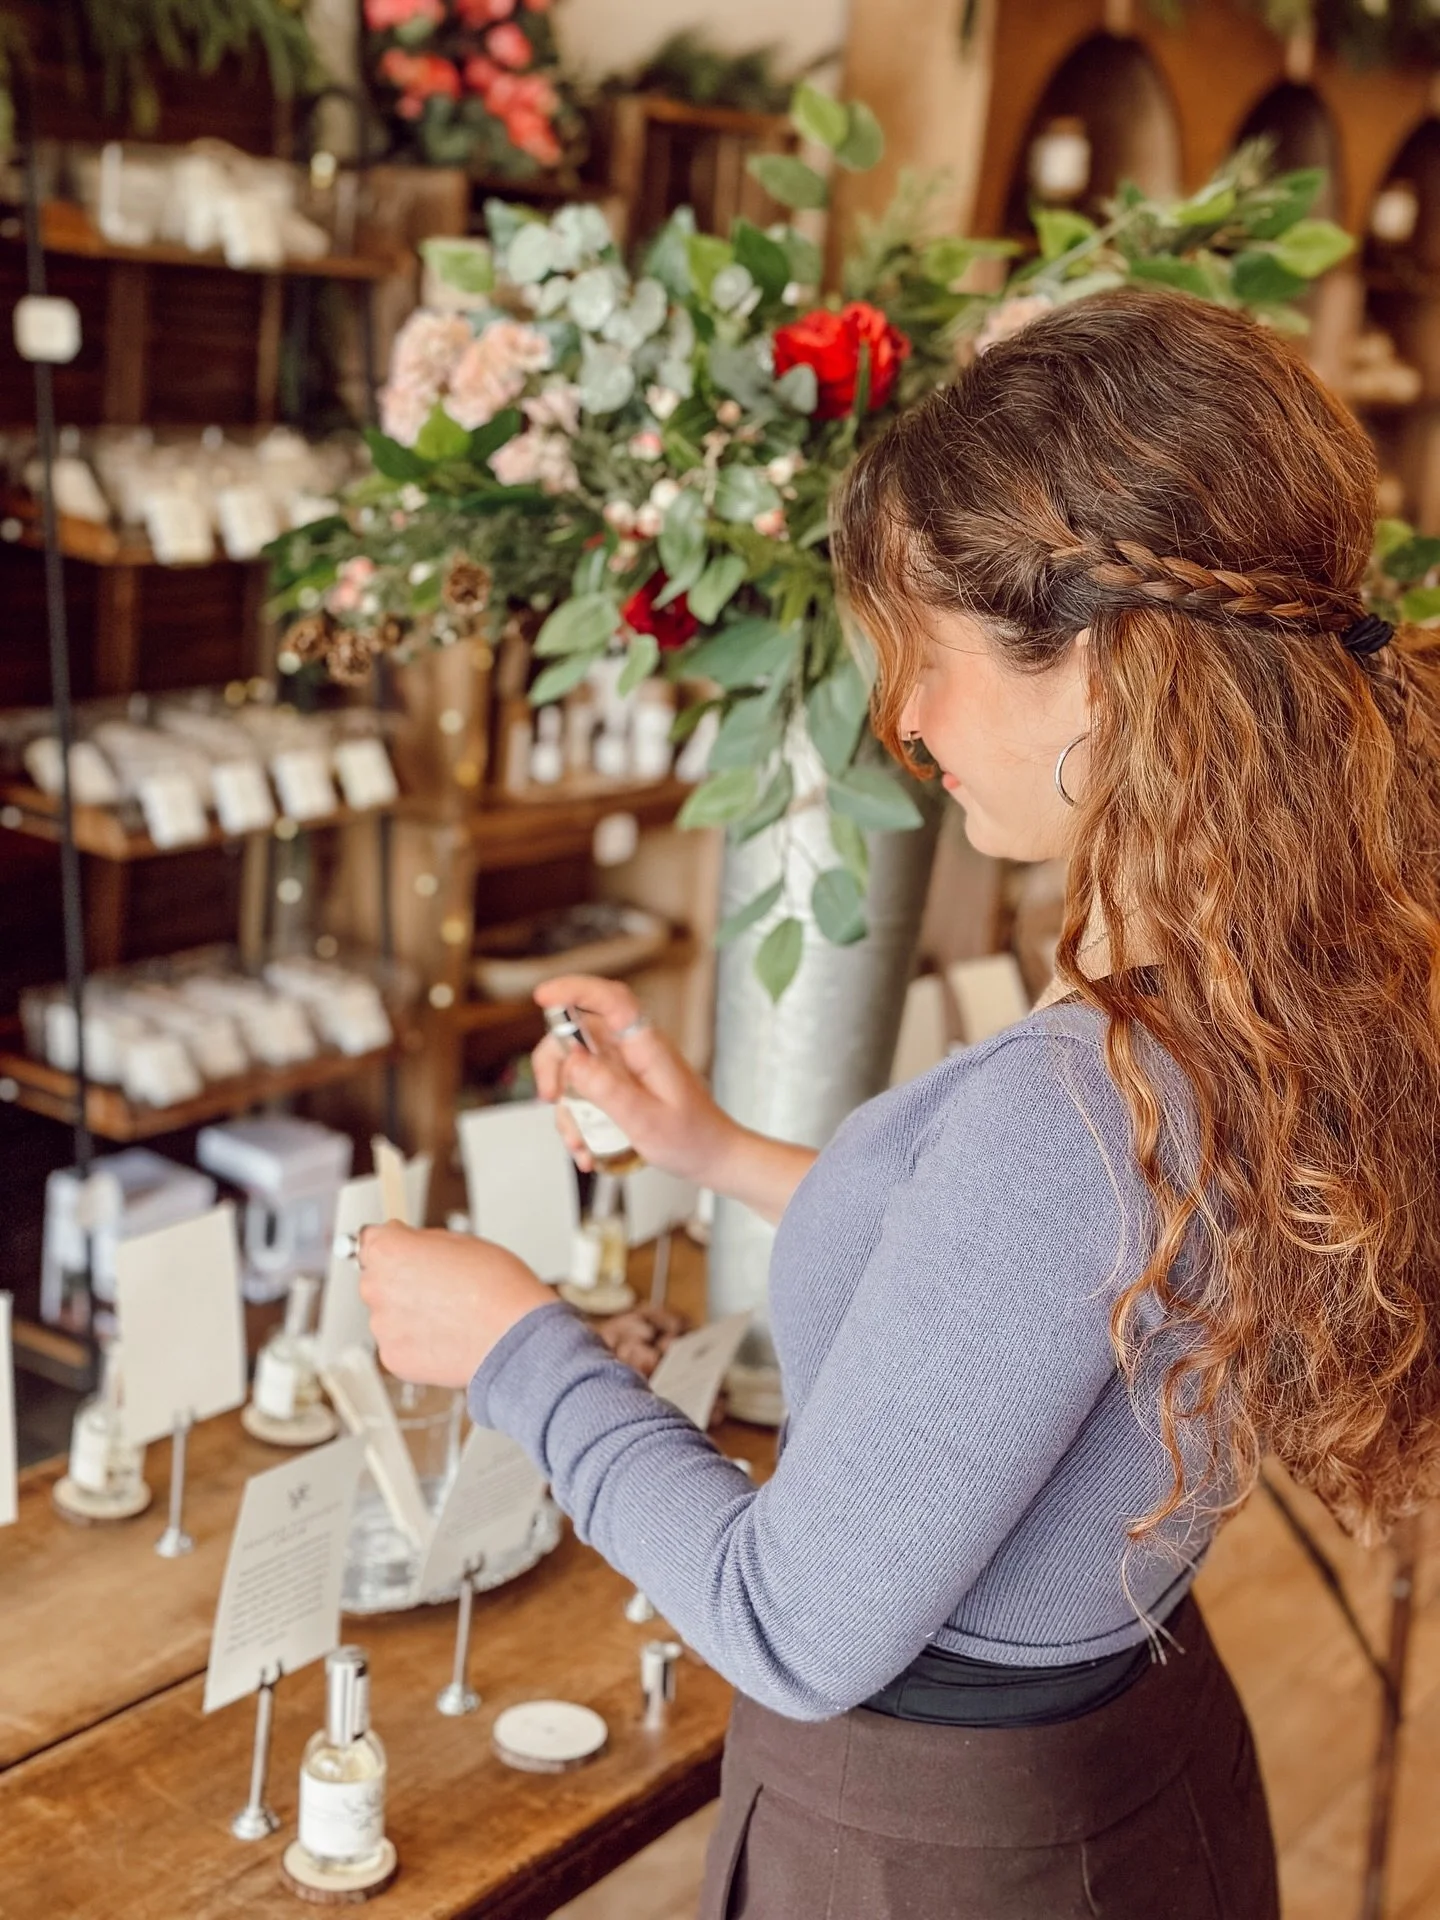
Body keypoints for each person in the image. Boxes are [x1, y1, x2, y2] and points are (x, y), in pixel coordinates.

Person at [356, 286, 1440, 1918]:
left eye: (928, 658)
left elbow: (790, 1621)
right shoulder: (1282, 991)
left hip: (943, 1852)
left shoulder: (1078, 1092)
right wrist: (712, 1149)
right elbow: (1043, 1285)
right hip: (1129, 1771)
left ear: (1113, 668)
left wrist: (518, 1349)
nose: (906, 721)